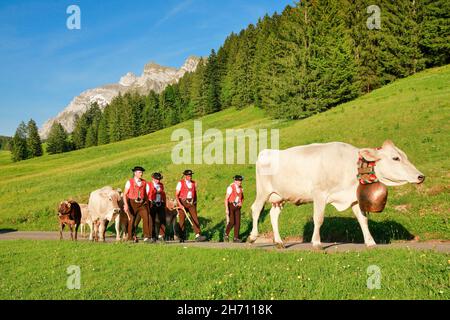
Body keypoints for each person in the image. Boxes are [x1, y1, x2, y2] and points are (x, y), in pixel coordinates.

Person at [123, 166, 153, 243]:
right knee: (132, 219)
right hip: (132, 203)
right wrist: (126, 205)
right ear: (135, 173)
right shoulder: (129, 182)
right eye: (140, 172)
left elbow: (146, 194)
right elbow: (125, 194)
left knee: (147, 217)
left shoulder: (144, 182)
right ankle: (130, 237)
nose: (141, 174)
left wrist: (147, 204)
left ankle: (147, 237)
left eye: (142, 172)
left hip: (142, 204)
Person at [175, 169, 207, 242]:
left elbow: (195, 194)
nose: (190, 177)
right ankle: (181, 237)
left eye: (191, 175)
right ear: (185, 176)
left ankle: (198, 235)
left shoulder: (194, 183)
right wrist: (180, 205)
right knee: (182, 220)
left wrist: (195, 203)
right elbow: (176, 195)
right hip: (182, 202)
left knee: (195, 218)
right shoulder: (180, 183)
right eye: (189, 175)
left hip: (191, 203)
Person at [224, 175, 244, 243]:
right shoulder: (230, 187)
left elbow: (242, 198)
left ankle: (236, 238)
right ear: (235, 181)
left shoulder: (241, 189)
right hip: (231, 206)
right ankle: (226, 234)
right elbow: (226, 199)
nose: (240, 182)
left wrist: (241, 203)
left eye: (241, 180)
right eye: (239, 180)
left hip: (238, 207)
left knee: (238, 222)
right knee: (232, 222)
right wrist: (226, 209)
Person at [148, 172, 166, 242]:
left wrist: (164, 203)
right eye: (156, 179)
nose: (158, 181)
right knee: (152, 220)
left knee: (162, 219)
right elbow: (147, 194)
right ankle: (152, 236)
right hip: (152, 203)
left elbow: (163, 194)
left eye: (159, 179)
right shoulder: (149, 184)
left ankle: (161, 235)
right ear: (153, 178)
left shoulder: (161, 185)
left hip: (160, 203)